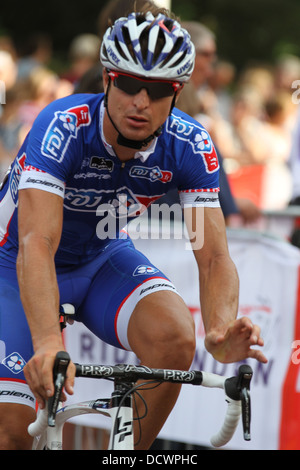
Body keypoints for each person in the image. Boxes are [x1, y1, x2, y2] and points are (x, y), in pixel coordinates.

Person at [0, 11, 267, 450]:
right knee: (11, 431)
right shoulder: (63, 126)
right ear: (106, 79)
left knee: (176, 338)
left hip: (102, 258)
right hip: (15, 262)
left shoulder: (190, 144)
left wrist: (218, 330)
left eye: (158, 90)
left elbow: (214, 254)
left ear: (177, 94)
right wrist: (48, 342)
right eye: (127, 84)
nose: (141, 101)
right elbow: (36, 241)